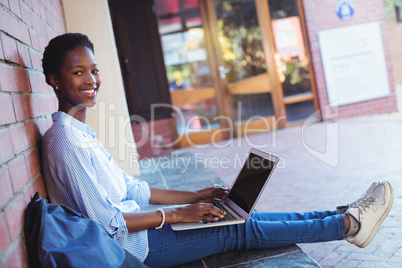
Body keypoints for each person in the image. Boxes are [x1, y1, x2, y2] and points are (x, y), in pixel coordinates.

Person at [41, 33, 394, 268]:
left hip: (142, 232)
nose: (91, 80)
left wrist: (199, 195)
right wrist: (180, 214)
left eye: (94, 70)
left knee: (240, 216)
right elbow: (108, 224)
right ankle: (348, 224)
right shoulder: (64, 140)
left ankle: (341, 217)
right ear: (55, 80)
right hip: (132, 249)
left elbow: (134, 189)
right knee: (235, 229)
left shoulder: (80, 132)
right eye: (78, 72)